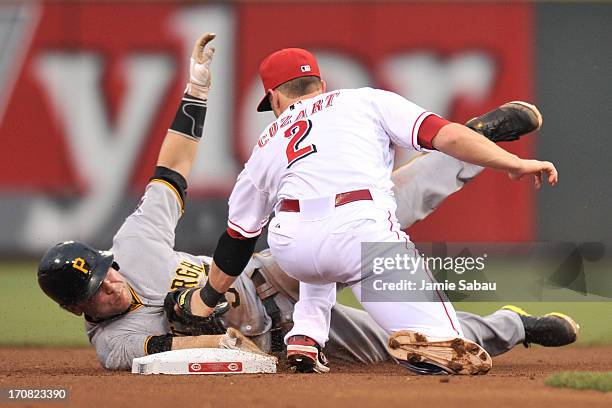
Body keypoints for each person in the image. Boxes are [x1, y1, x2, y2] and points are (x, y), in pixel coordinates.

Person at [37, 33, 577, 372]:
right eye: (96, 289)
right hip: (268, 333)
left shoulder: (132, 246)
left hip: (269, 273)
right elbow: (200, 354)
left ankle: (477, 141)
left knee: (385, 200)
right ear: (75, 309)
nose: (109, 282)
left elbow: (171, 169)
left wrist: (194, 96)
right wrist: (230, 345)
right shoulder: (116, 345)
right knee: (389, 339)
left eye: (104, 271)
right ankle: (516, 326)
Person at [173, 47, 563, 375]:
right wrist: (512, 163)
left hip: (292, 247)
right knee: (448, 344)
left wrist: (206, 299)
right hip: (359, 232)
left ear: (274, 97)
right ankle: (434, 341)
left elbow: (238, 239)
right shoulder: (364, 99)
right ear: (321, 85)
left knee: (316, 254)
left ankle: (305, 340)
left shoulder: (266, 142)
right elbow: (447, 136)